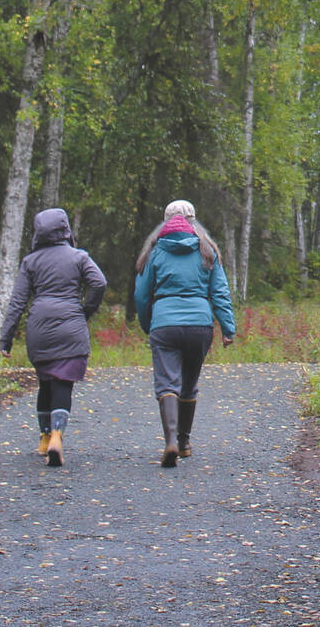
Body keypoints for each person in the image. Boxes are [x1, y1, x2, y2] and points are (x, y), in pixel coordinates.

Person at [0, 208, 106, 468]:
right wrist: (85, 310)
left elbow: (17, 302)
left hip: (40, 328)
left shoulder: (31, 262)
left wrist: (6, 338)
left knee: (45, 382)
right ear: (65, 229)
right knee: (63, 383)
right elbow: (99, 283)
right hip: (71, 326)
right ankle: (58, 434)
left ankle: (45, 439)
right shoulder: (79, 257)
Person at [133, 199, 234, 468]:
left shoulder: (154, 252)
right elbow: (219, 293)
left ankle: (170, 442)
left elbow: (142, 295)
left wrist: (148, 324)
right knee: (189, 382)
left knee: (167, 383)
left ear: (165, 221)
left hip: (164, 324)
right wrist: (227, 328)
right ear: (194, 220)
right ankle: (185, 442)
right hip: (200, 325)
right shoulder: (207, 250)